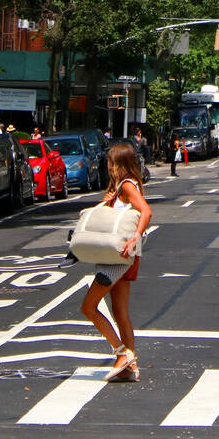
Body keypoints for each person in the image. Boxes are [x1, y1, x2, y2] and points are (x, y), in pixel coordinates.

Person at [80, 141, 151, 382]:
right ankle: (131, 367)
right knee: (120, 311)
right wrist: (109, 202)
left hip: (118, 258)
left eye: (110, 162)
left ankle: (122, 353)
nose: (108, 166)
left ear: (118, 164)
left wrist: (135, 238)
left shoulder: (127, 185)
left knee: (88, 306)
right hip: (125, 256)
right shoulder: (127, 186)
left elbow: (146, 211)